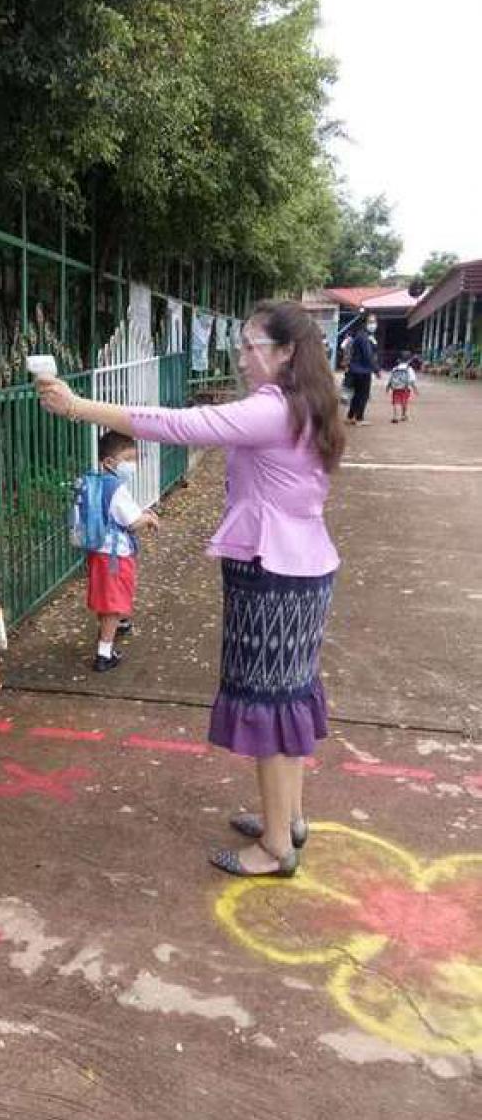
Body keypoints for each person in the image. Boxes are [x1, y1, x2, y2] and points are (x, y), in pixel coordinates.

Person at [37, 301, 344, 878]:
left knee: (270, 706)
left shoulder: (273, 409)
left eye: (252, 346)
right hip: (301, 569)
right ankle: (288, 819)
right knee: (289, 700)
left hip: (273, 572)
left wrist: (78, 406)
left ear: (286, 353)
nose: (241, 357)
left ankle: (277, 845)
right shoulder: (307, 403)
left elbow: (179, 425)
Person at [86, 431, 159, 672]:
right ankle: (104, 654)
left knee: (105, 598)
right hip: (115, 555)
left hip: (99, 551)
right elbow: (131, 522)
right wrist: (148, 518)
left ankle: (109, 634)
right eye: (128, 459)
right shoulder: (116, 488)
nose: (133, 465)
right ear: (109, 462)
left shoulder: (97, 482)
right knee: (113, 603)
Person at [345, 316, 380, 425]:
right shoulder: (364, 337)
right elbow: (368, 355)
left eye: (374, 322)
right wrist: (376, 369)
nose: (373, 324)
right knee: (363, 395)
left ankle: (351, 416)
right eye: (371, 322)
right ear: (364, 323)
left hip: (356, 369)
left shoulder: (363, 335)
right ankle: (359, 418)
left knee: (357, 394)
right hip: (363, 370)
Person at [387, 352, 418, 422]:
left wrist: (388, 388)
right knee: (404, 402)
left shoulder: (395, 368)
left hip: (395, 388)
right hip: (405, 388)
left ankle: (395, 416)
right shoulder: (409, 369)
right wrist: (415, 389)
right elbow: (412, 381)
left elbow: (390, 379)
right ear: (409, 360)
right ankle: (403, 415)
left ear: (399, 360)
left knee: (395, 402)